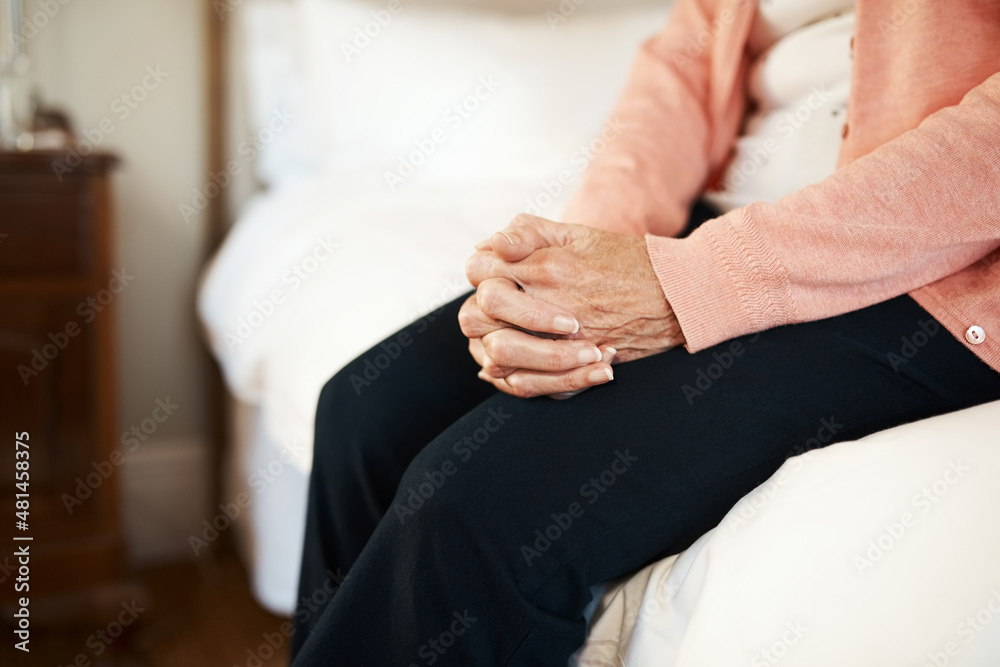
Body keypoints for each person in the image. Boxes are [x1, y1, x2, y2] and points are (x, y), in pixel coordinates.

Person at [291, 0, 1000, 664]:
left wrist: (686, 283)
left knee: (474, 507)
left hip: (923, 274)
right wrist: (585, 260)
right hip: (727, 221)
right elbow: (685, 65)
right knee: (364, 408)